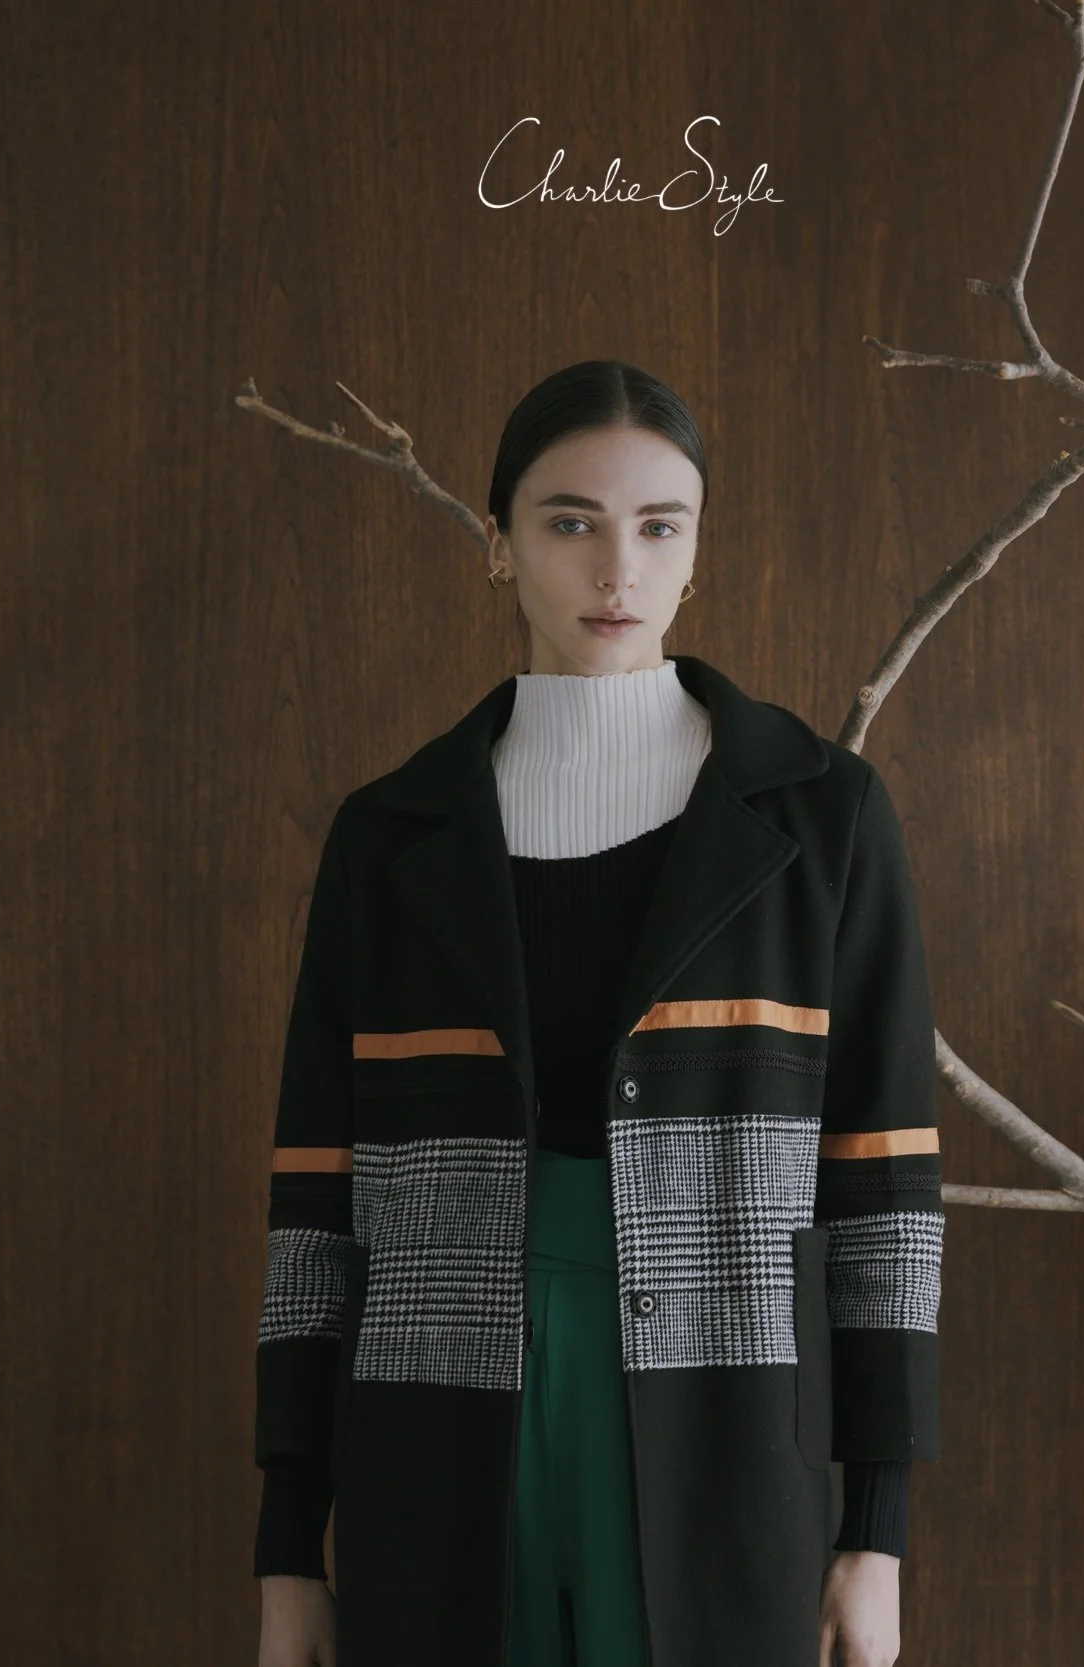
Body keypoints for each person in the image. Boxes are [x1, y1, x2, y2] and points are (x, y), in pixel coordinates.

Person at [254, 361, 943, 1667]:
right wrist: (290, 1546)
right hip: (433, 1423)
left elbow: (883, 1187)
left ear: (695, 552)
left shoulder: (820, 819)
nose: (617, 568)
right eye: (570, 521)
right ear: (498, 542)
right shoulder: (390, 836)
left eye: (658, 526)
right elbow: (314, 1201)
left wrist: (877, 1531)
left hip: (727, 1423)